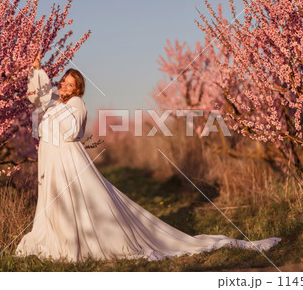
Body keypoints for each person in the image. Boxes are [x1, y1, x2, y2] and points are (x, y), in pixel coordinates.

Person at [14, 52, 282, 263]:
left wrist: (53, 108)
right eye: (63, 82)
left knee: (74, 199)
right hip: (52, 160)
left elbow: (72, 131)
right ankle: (58, 235)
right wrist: (37, 70)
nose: (64, 87)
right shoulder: (56, 103)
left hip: (68, 160)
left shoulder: (76, 105)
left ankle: (75, 239)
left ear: (78, 89)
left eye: (70, 85)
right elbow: (39, 99)